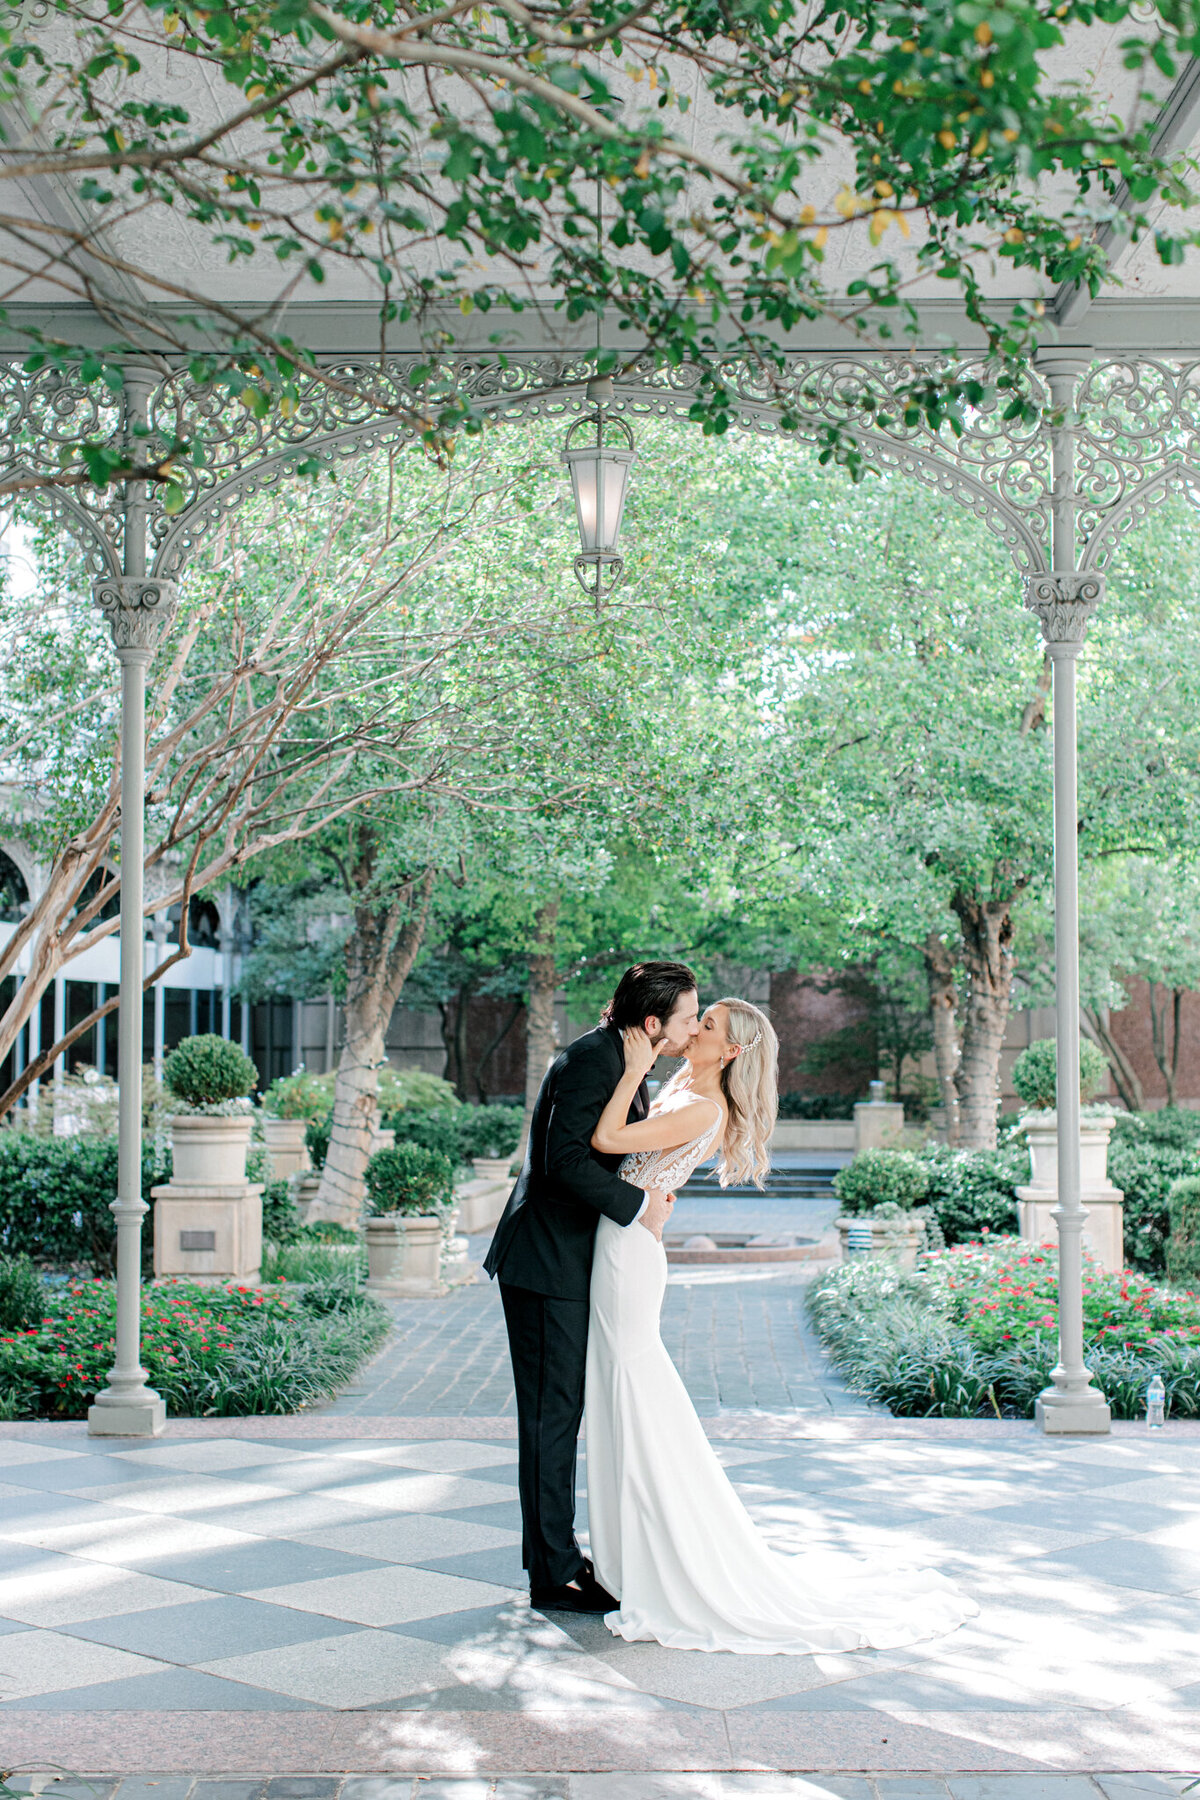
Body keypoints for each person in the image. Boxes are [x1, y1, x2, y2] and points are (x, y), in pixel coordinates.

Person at [584, 997, 978, 1654]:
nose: (692, 1027)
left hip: (628, 1256)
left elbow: (607, 1141)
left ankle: (662, 1556)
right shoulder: (685, 1084)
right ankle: (630, 1555)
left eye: (704, 1025)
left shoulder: (704, 1105)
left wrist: (632, 1064)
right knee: (624, 1393)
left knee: (634, 1393)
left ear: (730, 1049)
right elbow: (648, 1170)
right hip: (624, 1238)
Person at [484, 961, 701, 1614]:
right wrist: (640, 1207)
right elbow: (565, 1161)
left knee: (560, 1415)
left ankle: (553, 1556)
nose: (694, 1029)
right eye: (689, 1018)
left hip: (565, 1261)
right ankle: (553, 1575)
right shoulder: (593, 1059)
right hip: (546, 1263)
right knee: (552, 1419)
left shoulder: (617, 1054)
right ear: (653, 1021)